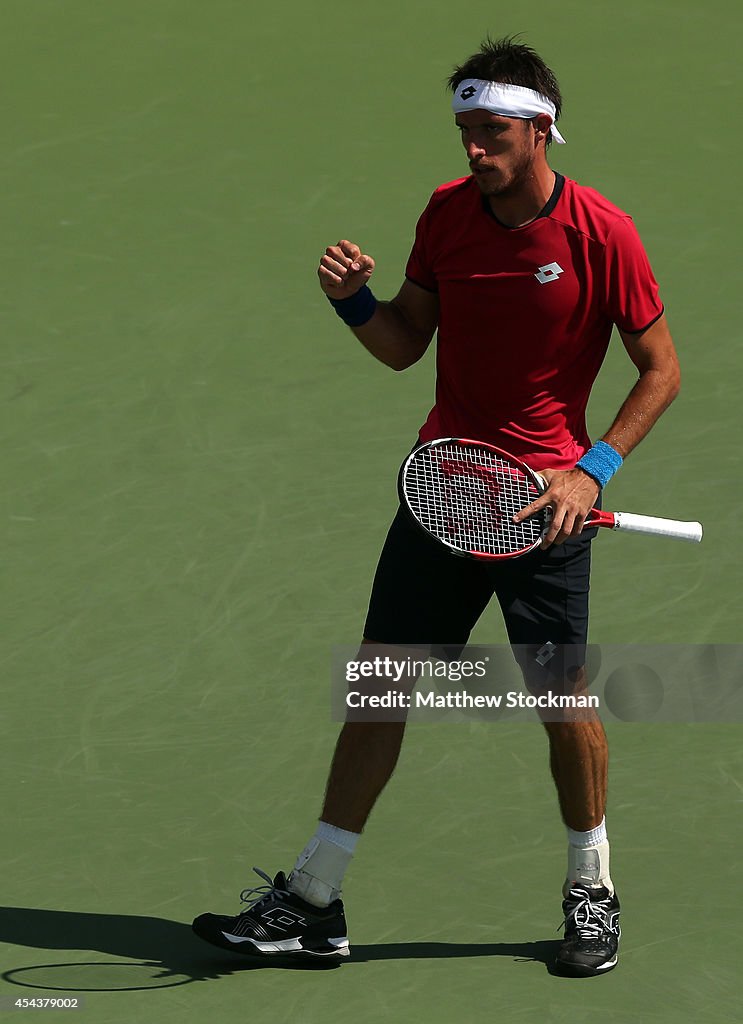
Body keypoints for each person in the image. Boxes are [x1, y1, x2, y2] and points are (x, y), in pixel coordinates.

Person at [192, 36, 680, 976]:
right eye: (462, 131)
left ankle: (592, 889)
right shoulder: (446, 216)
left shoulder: (601, 234)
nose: (471, 149)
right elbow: (405, 345)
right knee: (379, 690)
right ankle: (313, 903)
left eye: (489, 131)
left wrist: (593, 470)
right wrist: (353, 302)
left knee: (559, 703)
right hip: (445, 490)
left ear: (539, 131)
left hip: (543, 507)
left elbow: (660, 370)